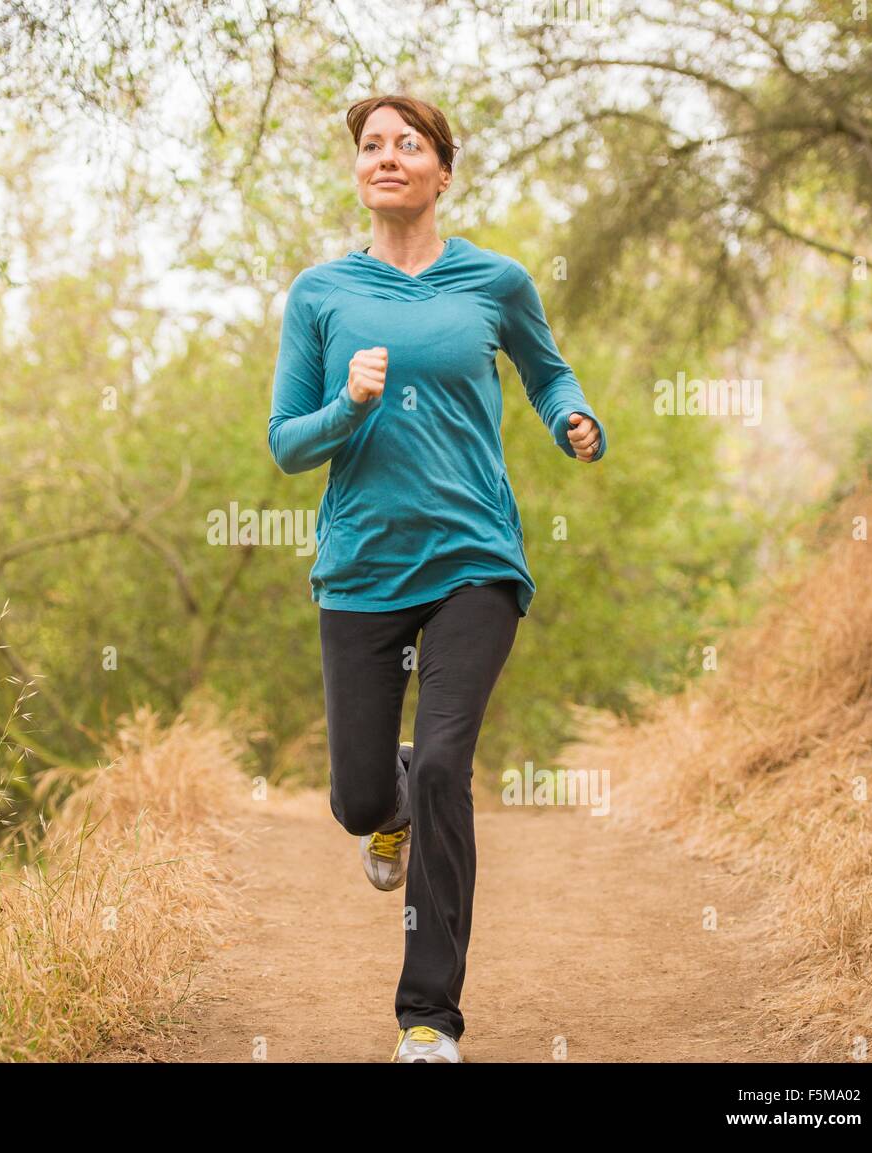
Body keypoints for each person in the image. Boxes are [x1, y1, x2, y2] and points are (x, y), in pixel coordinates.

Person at [267, 94, 607, 1063]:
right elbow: (286, 443)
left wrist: (571, 420)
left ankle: (427, 1018)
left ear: (441, 170)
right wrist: (348, 404)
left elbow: (548, 373)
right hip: (362, 568)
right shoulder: (322, 294)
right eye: (370, 146)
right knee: (357, 802)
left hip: (474, 557)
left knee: (452, 766)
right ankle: (393, 804)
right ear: (358, 170)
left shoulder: (492, 280)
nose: (386, 158)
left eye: (406, 145)